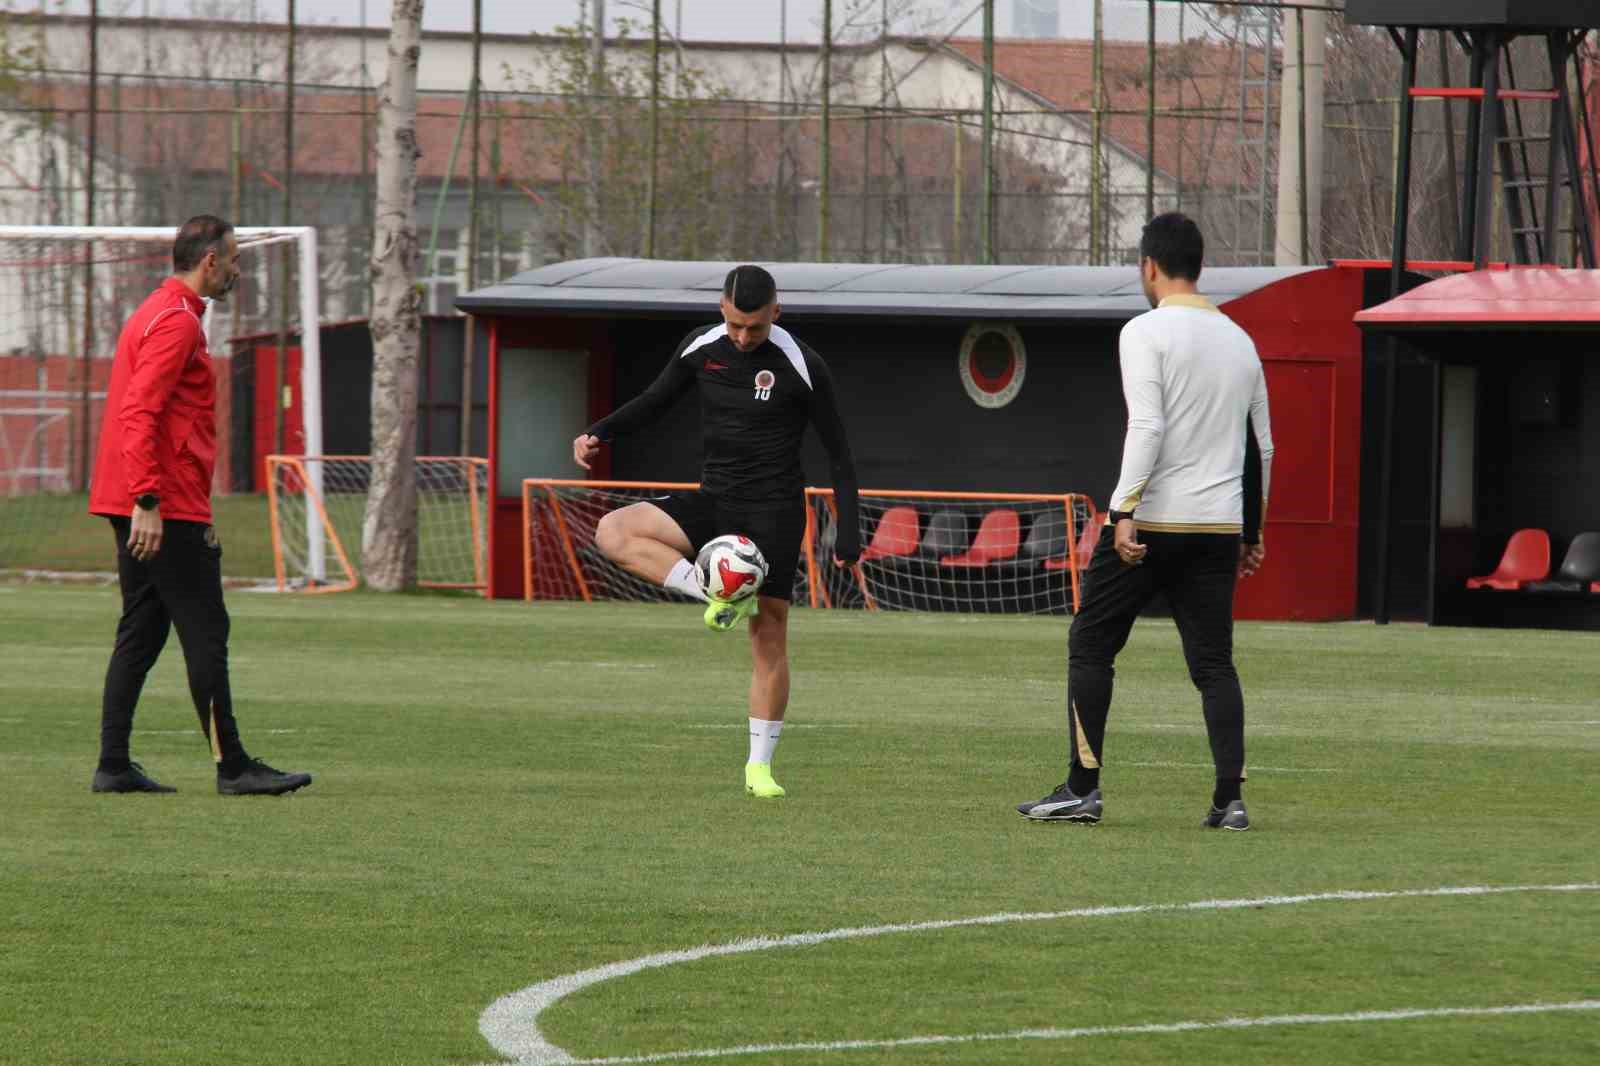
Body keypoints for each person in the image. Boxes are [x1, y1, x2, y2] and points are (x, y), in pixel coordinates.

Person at [1016, 212, 1273, 830]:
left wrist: (1123, 512)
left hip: (1153, 520)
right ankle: (1228, 801)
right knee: (1214, 663)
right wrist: (1254, 531)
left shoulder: (1143, 331)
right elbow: (1261, 447)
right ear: (1200, 266)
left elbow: (1149, 426)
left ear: (1148, 267)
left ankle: (1083, 788)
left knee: (1090, 643)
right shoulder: (1241, 340)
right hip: (1216, 527)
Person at [572, 264, 860, 799]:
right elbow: (655, 401)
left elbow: (839, 453)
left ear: (776, 311)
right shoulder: (702, 346)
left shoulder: (802, 363)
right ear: (721, 310)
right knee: (612, 531)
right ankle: (712, 591)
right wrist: (599, 431)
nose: (743, 337)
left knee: (768, 639)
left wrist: (849, 532)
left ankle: (759, 768)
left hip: (774, 510)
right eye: (734, 326)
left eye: (754, 327)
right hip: (714, 500)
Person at [87, 215, 313, 797]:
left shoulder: (156, 311)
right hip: (165, 501)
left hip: (138, 493)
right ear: (210, 260)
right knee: (206, 629)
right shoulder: (177, 322)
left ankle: (113, 765)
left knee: (141, 629)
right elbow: (141, 411)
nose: (238, 268)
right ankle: (233, 766)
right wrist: (148, 499)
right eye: (234, 258)